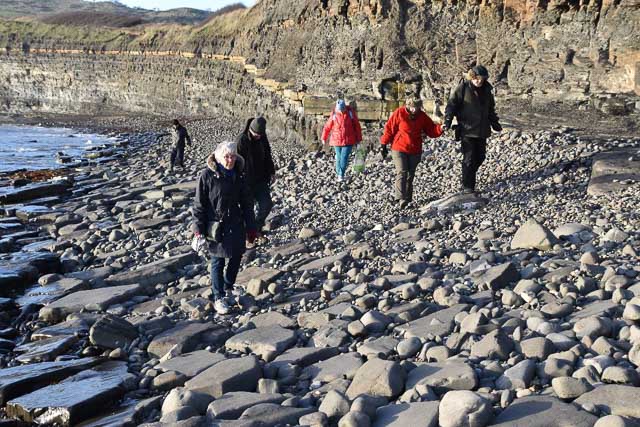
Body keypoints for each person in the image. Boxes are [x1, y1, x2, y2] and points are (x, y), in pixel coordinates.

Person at [192, 141, 257, 315]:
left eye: (233, 156)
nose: (230, 160)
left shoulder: (239, 175)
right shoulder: (207, 175)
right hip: (215, 225)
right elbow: (199, 204)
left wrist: (251, 228)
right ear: (220, 158)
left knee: (237, 256)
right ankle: (218, 296)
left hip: (236, 223)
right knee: (217, 261)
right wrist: (198, 230)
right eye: (227, 157)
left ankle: (228, 287)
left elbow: (247, 203)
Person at [442, 65, 502, 194]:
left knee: (480, 157)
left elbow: (490, 109)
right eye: (476, 78)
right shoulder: (463, 88)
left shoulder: (487, 90)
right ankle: (468, 187)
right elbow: (451, 106)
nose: (478, 81)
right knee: (469, 158)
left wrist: (495, 123)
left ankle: (468, 176)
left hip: (482, 130)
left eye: (481, 78)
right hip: (466, 130)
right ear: (471, 77)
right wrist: (447, 121)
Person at [380, 97, 443, 208]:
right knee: (402, 172)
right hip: (399, 148)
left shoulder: (422, 116)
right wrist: (383, 144)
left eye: (416, 107)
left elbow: (431, 130)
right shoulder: (399, 113)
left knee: (410, 174)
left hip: (415, 149)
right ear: (408, 105)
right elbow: (389, 128)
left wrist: (441, 128)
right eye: (412, 107)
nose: (414, 110)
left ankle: (408, 199)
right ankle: (400, 198)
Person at [236, 116, 277, 242]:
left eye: (260, 135)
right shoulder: (241, 140)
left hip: (261, 180)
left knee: (267, 205)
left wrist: (272, 172)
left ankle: (256, 227)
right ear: (250, 130)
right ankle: (247, 234)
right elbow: (237, 162)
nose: (258, 137)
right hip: (246, 181)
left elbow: (268, 155)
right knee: (247, 209)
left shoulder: (262, 137)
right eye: (256, 134)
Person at [321, 99, 363, 182]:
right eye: (338, 109)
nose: (340, 111)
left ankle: (341, 175)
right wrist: (323, 137)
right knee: (339, 157)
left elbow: (357, 126)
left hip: (348, 140)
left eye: (341, 109)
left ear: (344, 108)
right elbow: (327, 127)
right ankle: (339, 173)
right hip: (336, 140)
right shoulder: (334, 115)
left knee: (344, 157)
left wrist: (359, 139)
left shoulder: (350, 113)